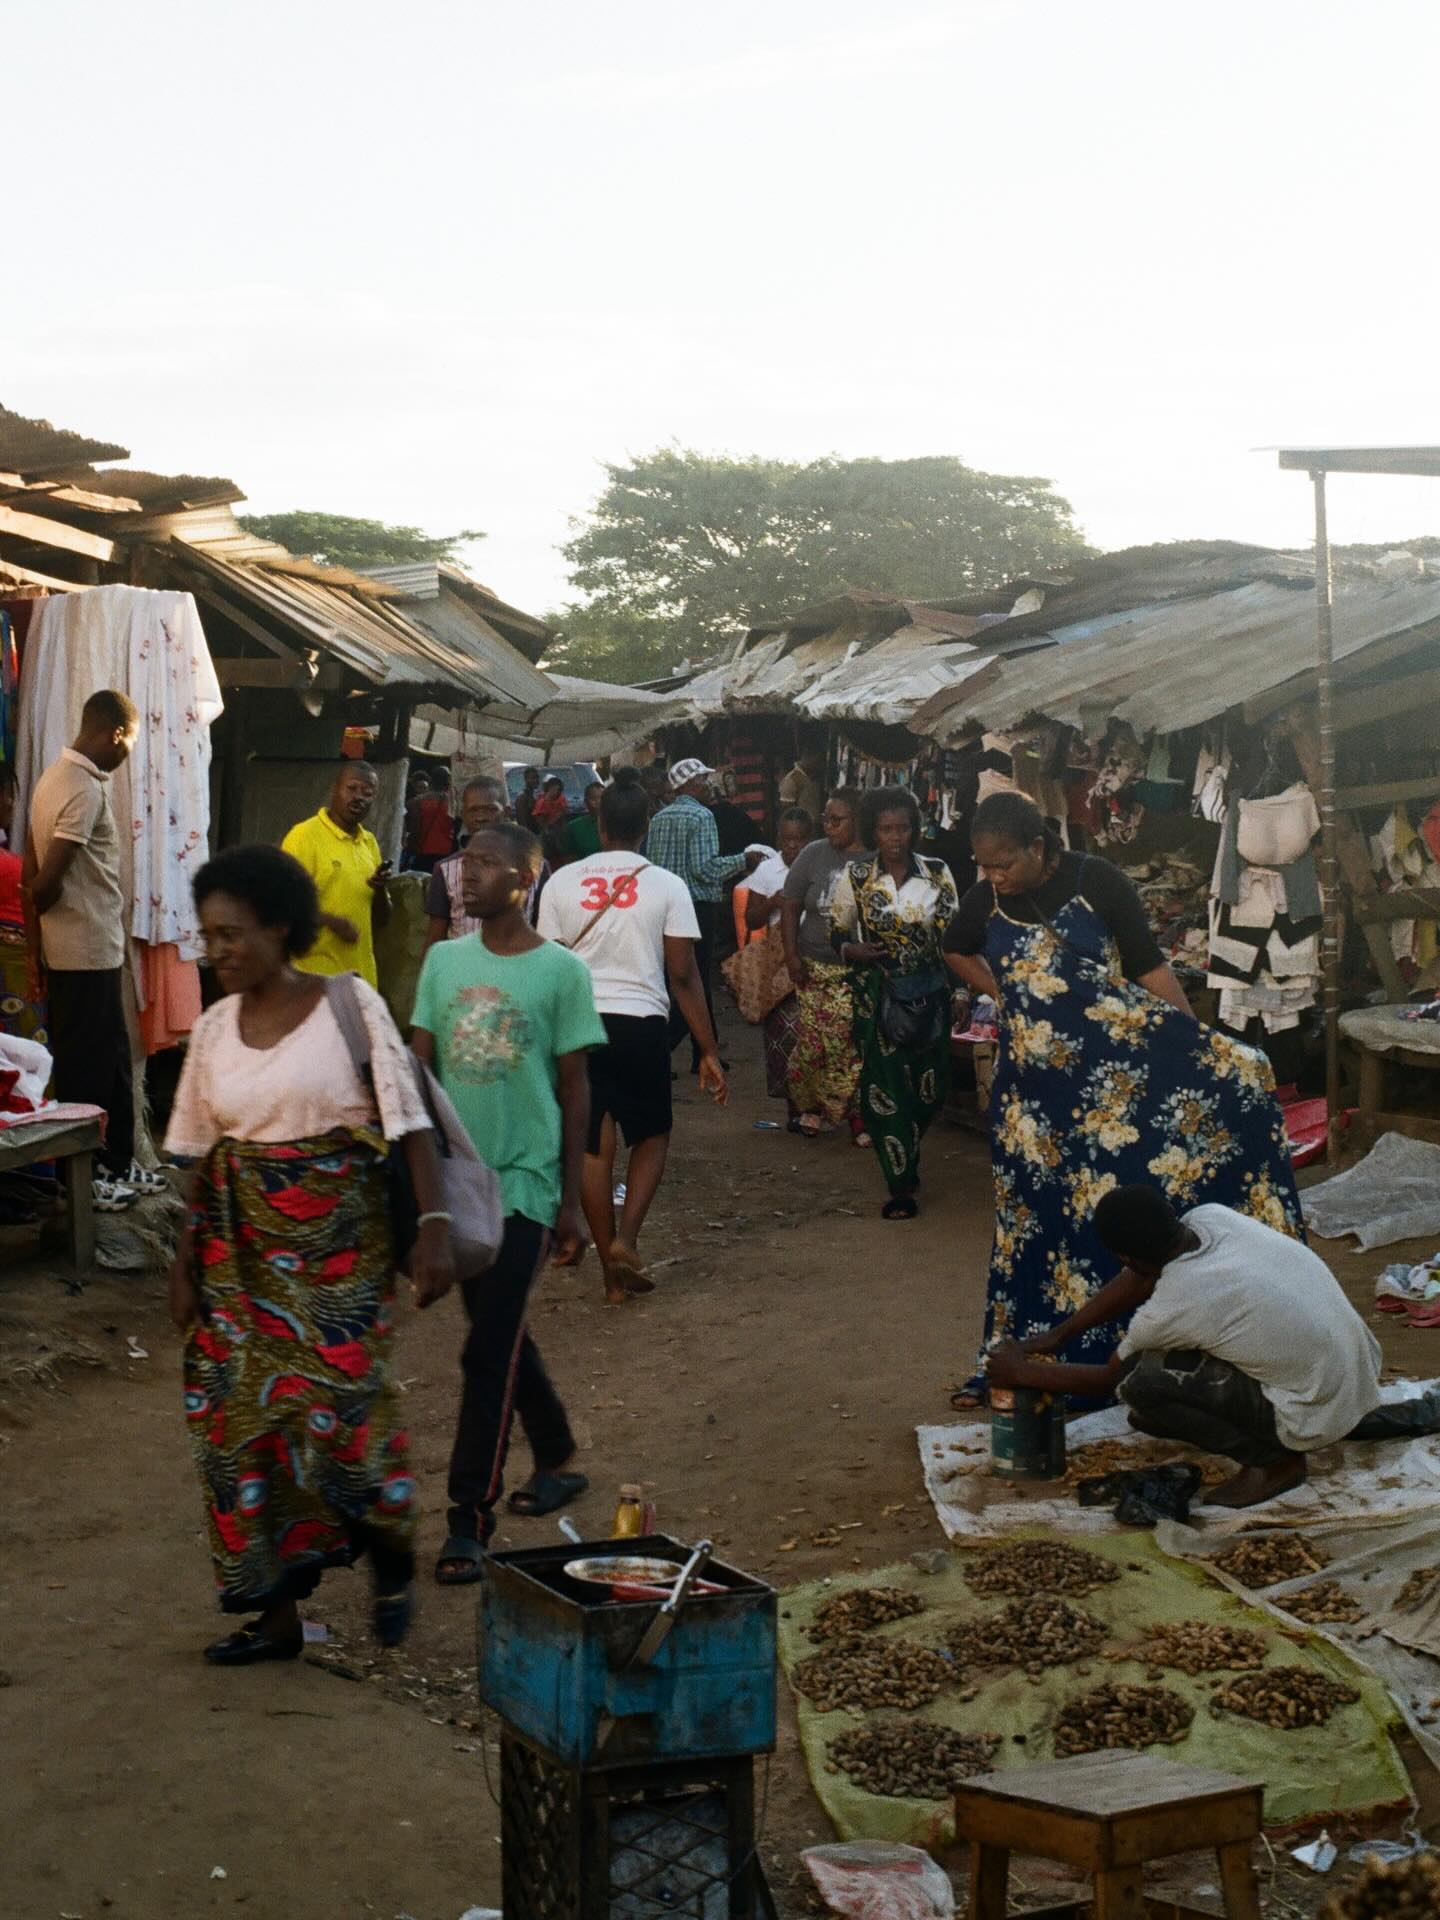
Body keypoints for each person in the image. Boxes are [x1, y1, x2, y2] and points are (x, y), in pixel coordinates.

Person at [163, 844, 454, 1661]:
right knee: (237, 1430)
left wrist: (433, 1227)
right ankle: (278, 1616)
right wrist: (186, 1264)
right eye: (209, 936)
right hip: (237, 1257)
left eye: (232, 934)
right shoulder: (214, 1027)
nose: (217, 951)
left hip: (336, 1256)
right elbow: (197, 1151)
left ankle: (392, 1554)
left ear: (280, 928)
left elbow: (409, 1122)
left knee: (343, 1422)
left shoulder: (348, 1006)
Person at [943, 790, 1304, 1408]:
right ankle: (1027, 1361)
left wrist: (1197, 1041)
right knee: (1035, 1224)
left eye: (1003, 862)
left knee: (1110, 1212)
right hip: (1033, 1103)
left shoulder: (1097, 881)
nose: (993, 875)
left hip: (1114, 1087)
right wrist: (1002, 991)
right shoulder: (984, 900)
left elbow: (1146, 966)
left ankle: (1133, 1358)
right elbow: (953, 945)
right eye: (984, 865)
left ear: (1038, 846)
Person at [411, 820, 606, 1584]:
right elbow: (419, 1075)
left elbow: (574, 1085)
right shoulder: (441, 961)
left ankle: (469, 1519)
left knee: (486, 1346)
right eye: (467, 862)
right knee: (495, 1328)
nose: (469, 874)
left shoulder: (561, 973)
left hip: (525, 1182)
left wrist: (569, 1202)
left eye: (488, 864)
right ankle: (553, 1449)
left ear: (527, 879)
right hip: (457, 1184)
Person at [986, 1184, 1440, 1509]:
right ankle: (1315, 1422)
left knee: (1143, 1386)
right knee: (1158, 1400)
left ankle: (1275, 1463)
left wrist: (1017, 1371)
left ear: (1124, 1255)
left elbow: (1110, 1378)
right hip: (1355, 1377)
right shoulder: (1212, 1217)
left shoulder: (1176, 1302)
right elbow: (1138, 1276)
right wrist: (1057, 1337)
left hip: (1315, 1403)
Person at [537, 769, 728, 1301]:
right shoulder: (668, 886)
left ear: (600, 825)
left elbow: (550, 967)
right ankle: (627, 1239)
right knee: (650, 1136)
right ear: (646, 825)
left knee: (594, 1150)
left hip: (579, 1028)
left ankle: (609, 1270)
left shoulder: (560, 883)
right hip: (642, 1025)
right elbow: (684, 974)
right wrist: (708, 1049)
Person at [22, 689, 165, 1210]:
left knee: (110, 1061)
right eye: (130, 745)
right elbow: (42, 884)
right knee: (88, 1067)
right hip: (82, 953)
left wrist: (39, 947)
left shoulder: (51, 780)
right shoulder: (80, 788)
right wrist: (45, 930)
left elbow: (33, 875)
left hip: (89, 949)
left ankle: (119, 1164)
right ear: (117, 734)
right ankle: (91, 1178)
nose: (127, 756)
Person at [830, 787, 958, 1218]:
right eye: (886, 829)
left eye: (902, 828)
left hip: (930, 994)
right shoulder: (856, 877)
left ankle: (910, 1151)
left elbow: (953, 939)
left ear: (914, 830)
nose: (895, 837)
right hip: (878, 996)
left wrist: (960, 990)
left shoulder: (938, 874)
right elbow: (837, 931)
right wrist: (852, 951)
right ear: (873, 832)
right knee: (883, 1091)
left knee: (930, 1090)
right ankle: (899, 1185)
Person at [646, 757, 761, 1070]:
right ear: (691, 785)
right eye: (704, 780)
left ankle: (703, 1053)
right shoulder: (702, 816)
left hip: (662, 906)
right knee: (693, 981)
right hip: (695, 908)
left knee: (680, 980)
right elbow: (705, 869)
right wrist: (743, 860)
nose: (710, 785)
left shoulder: (659, 818)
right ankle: (657, 1053)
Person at [781, 789, 867, 1142]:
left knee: (853, 1046)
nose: (829, 827)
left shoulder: (877, 858)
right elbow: (790, 904)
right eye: (826, 820)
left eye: (837, 820)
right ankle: (811, 1107)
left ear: (858, 820)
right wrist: (791, 955)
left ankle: (858, 1115)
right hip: (814, 965)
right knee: (815, 1044)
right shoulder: (813, 853)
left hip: (859, 971)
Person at [281, 762, 391, 989]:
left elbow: (381, 921)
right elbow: (280, 908)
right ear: (334, 789)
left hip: (360, 981)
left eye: (367, 793)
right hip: (312, 979)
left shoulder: (369, 843)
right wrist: (332, 922)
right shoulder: (303, 836)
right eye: (351, 788)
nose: (359, 797)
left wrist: (380, 889)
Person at [739, 808, 811, 1123]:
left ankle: (814, 1105)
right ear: (779, 838)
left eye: (799, 839)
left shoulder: (819, 865)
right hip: (778, 964)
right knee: (784, 1036)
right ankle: (795, 1108)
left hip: (814, 958)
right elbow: (751, 918)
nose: (793, 846)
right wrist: (773, 902)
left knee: (813, 1033)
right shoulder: (768, 871)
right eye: (787, 839)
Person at [424, 778, 547, 950]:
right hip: (463, 968)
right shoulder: (445, 870)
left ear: (506, 811)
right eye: (473, 810)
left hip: (517, 964)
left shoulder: (535, 867)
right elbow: (435, 935)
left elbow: (544, 926)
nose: (481, 817)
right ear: (463, 814)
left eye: (490, 809)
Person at [403, 769, 456, 874]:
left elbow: (414, 829)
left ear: (431, 781)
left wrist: (409, 850)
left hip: (422, 853)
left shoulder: (415, 802)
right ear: (448, 782)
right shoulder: (453, 804)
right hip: (448, 853)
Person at [558, 781, 605, 863]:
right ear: (586, 802)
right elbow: (569, 859)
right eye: (594, 799)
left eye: (602, 798)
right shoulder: (574, 827)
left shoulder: (616, 824)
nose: (599, 802)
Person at [778, 750, 826, 826]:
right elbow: (787, 812)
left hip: (815, 828)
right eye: (818, 760)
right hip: (801, 829)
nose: (819, 764)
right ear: (808, 757)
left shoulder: (817, 776)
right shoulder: (791, 779)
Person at [514, 765, 542, 832]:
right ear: (526, 779)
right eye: (532, 778)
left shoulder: (533, 796)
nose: (536, 780)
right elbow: (522, 822)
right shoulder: (522, 798)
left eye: (537, 777)